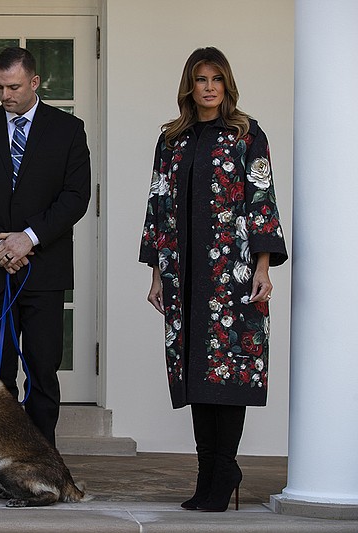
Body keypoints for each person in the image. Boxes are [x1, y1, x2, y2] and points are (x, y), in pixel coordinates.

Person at [139, 47, 287, 512]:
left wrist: (262, 267)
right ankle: (209, 474)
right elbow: (157, 204)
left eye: (216, 79)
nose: (208, 87)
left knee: (229, 368)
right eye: (200, 79)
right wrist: (158, 271)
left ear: (226, 85)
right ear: (189, 85)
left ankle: (223, 469)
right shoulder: (171, 140)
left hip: (234, 274)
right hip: (184, 275)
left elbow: (262, 199)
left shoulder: (246, 134)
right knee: (196, 372)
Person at [0, 47, 92, 454]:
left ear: (34, 82)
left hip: (43, 271)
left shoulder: (68, 130)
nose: (5, 95)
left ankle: (41, 461)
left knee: (43, 370)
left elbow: (75, 197)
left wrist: (27, 238)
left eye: (13, 86)